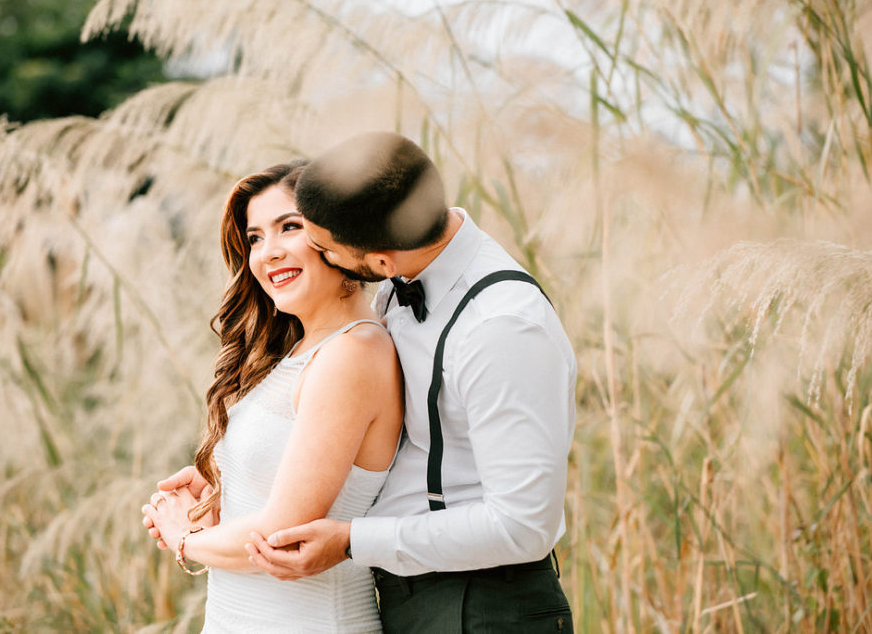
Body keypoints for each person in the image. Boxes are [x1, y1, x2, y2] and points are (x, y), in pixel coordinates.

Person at [163, 132, 577, 632]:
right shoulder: (391, 292)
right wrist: (234, 476)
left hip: (485, 604)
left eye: (319, 244)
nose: (277, 254)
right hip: (402, 594)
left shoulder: (503, 325)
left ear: (377, 264)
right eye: (257, 237)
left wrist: (353, 540)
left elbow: (523, 526)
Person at [141, 159, 403, 633]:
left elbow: (280, 533)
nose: (268, 253)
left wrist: (185, 536)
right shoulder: (301, 351)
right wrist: (218, 481)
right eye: (255, 237)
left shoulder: (354, 353)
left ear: (337, 235)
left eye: (289, 227)